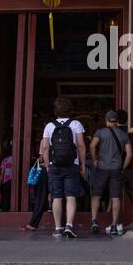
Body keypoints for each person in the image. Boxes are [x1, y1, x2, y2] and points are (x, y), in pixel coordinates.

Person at [42, 97, 86, 238]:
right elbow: (80, 145)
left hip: (54, 165)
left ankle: (58, 228)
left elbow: (45, 147)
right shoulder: (76, 124)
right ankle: (69, 225)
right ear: (70, 110)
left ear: (56, 111)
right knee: (71, 196)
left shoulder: (49, 126)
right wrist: (83, 164)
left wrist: (48, 164)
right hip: (72, 164)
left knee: (57, 197)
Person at [90, 110, 132, 236]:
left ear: (106, 120)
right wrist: (122, 167)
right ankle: (114, 226)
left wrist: (94, 160)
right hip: (116, 169)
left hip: (102, 167)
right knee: (115, 197)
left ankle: (94, 221)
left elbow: (92, 146)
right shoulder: (124, 135)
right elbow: (129, 154)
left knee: (96, 194)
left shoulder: (100, 132)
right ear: (117, 121)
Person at [23, 141, 49, 231]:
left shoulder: (45, 140)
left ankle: (33, 224)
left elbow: (42, 158)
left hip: (45, 170)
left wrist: (37, 159)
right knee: (58, 198)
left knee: (40, 198)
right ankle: (62, 225)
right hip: (58, 170)